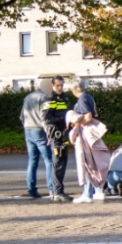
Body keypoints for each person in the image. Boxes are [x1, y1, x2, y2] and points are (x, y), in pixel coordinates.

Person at [68, 78, 109, 202]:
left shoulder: (82, 99)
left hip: (86, 133)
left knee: (87, 163)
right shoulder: (88, 96)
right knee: (94, 162)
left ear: (74, 89)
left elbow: (88, 116)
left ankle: (88, 193)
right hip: (92, 133)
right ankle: (96, 191)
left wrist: (77, 124)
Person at [20, 80, 54, 199]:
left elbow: (21, 116)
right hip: (39, 130)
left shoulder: (27, 97)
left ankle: (31, 189)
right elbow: (44, 117)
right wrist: (48, 133)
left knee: (32, 161)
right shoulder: (45, 98)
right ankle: (52, 189)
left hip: (28, 129)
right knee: (49, 160)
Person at [42, 75, 72, 203]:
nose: (60, 88)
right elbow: (47, 119)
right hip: (56, 135)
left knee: (62, 163)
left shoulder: (64, 98)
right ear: (52, 85)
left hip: (64, 135)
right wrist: (64, 120)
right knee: (57, 164)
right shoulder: (49, 99)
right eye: (58, 85)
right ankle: (57, 192)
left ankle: (59, 191)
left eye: (62, 85)